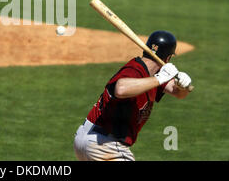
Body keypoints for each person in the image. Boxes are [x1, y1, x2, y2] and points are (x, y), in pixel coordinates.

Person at [73, 30, 192, 161]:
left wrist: (183, 86)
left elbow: (178, 93)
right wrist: (159, 78)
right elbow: (120, 89)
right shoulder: (134, 70)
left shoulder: (152, 75)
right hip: (105, 144)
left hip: (89, 139)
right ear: (168, 58)